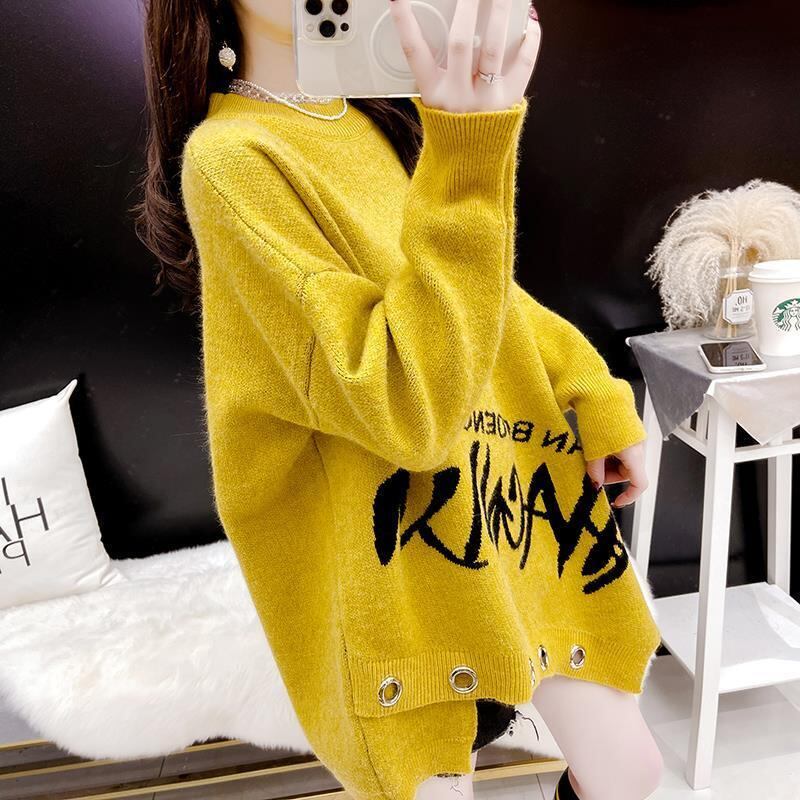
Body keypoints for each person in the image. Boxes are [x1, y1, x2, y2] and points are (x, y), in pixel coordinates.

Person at [133, 1, 664, 799]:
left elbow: (480, 295)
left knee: (628, 773)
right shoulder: (231, 158)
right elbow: (401, 404)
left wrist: (591, 390)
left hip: (495, 491)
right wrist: (469, 149)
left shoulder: (365, 120)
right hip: (388, 558)